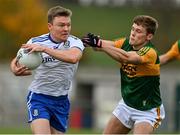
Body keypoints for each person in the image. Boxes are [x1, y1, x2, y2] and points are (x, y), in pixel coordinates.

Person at [82, 15, 165, 134]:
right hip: (127, 105)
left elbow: (126, 57)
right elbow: (102, 47)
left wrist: (100, 45)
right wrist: (91, 42)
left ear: (149, 36)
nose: (133, 33)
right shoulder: (125, 43)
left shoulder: (150, 52)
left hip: (147, 110)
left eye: (138, 31)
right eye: (132, 29)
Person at [10, 6, 84, 134]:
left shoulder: (75, 42)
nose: (66, 29)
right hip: (39, 97)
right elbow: (19, 57)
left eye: (68, 25)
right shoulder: (35, 41)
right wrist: (14, 68)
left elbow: (73, 58)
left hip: (61, 101)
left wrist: (45, 49)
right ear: (50, 26)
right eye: (61, 25)